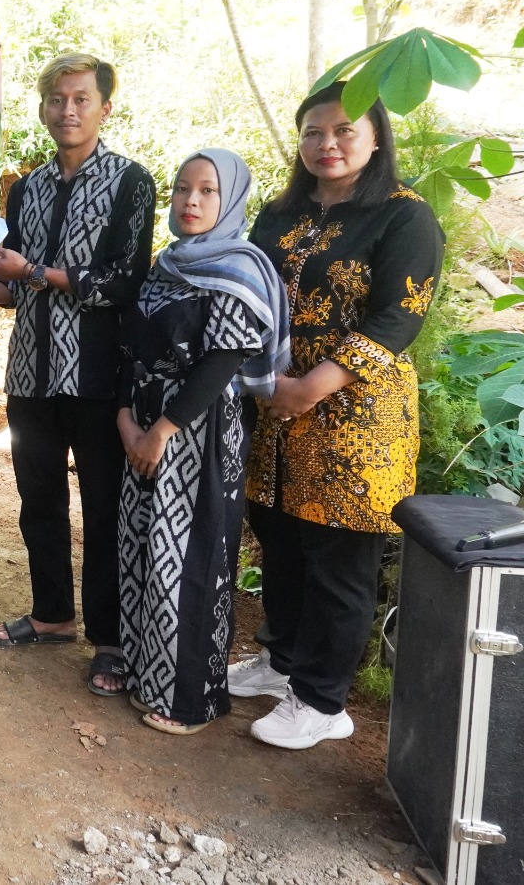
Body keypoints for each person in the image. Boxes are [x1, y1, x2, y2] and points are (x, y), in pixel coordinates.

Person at [235, 82, 443, 749]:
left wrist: (316, 384)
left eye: (343, 131)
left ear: (376, 137)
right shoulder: (278, 214)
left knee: (340, 555)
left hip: (358, 410)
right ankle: (282, 661)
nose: (327, 144)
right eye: (313, 132)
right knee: (281, 536)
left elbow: (399, 314)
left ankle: (323, 701)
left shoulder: (403, 216)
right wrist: (266, 379)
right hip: (278, 401)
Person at [0, 52, 156, 696]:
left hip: (97, 378)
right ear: (44, 107)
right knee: (40, 501)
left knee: (104, 508)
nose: (68, 110)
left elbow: (123, 281)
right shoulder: (26, 188)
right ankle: (53, 614)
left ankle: (110, 639)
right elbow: (18, 288)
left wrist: (31, 273)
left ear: (105, 107)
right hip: (30, 374)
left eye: (81, 98)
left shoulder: (131, 182)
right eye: (57, 99)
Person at [115, 150, 288, 735]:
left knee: (188, 558)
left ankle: (188, 698)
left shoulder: (240, 269)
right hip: (141, 424)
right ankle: (146, 674)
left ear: (231, 199)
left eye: (207, 191)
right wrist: (125, 420)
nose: (191, 201)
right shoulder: (166, 264)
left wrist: (162, 429)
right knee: (142, 548)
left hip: (199, 431)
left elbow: (222, 363)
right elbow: (130, 346)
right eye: (183, 189)